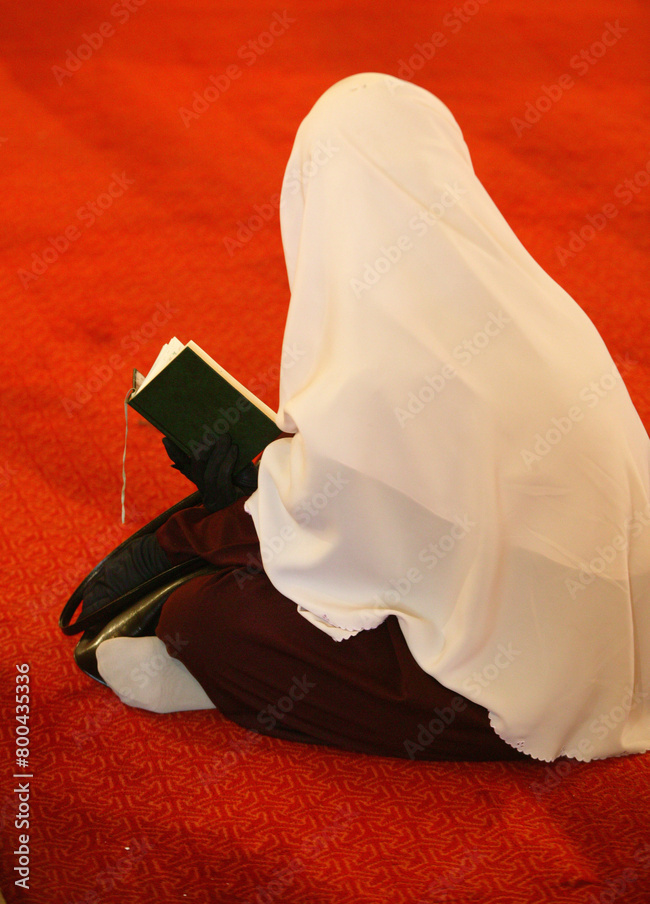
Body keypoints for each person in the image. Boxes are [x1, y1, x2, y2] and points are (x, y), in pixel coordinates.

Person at [96, 72, 650, 764]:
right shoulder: (536, 306)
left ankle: (215, 679)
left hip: (524, 688)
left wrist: (187, 536)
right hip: (625, 648)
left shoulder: (384, 359)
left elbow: (335, 543)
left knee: (208, 620)